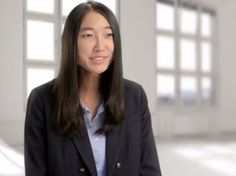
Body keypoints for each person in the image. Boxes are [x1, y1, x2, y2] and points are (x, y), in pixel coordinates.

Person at [24, 1, 162, 176]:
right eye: (88, 35)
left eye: (108, 34)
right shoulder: (41, 100)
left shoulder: (135, 96)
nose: (100, 46)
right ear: (70, 42)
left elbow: (150, 170)